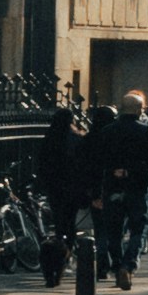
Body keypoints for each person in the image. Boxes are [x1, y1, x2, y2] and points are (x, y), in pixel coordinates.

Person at [92, 93, 148, 289]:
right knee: (138, 228)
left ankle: (118, 265)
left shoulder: (107, 131)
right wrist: (131, 171)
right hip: (137, 187)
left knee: (114, 230)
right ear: (140, 110)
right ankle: (128, 265)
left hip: (112, 185)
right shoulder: (146, 131)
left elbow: (98, 161)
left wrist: (115, 171)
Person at [33, 98, 97, 283]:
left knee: (60, 221)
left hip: (55, 188)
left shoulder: (50, 137)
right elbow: (84, 165)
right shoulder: (77, 139)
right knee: (70, 223)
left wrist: (43, 183)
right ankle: (65, 256)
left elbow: (42, 164)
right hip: (73, 188)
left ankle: (59, 254)